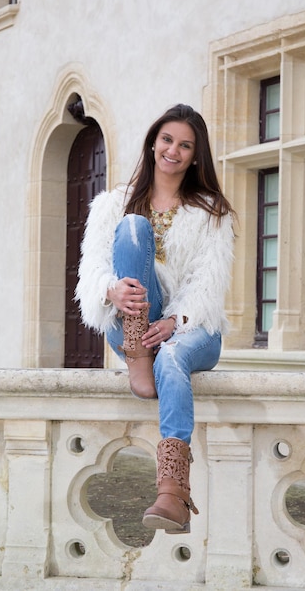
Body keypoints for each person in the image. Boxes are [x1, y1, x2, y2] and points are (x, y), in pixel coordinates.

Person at [75, 103, 234, 534]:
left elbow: (207, 284)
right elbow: (91, 270)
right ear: (152, 143)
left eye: (186, 145)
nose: (174, 151)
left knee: (172, 356)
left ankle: (172, 491)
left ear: (196, 155)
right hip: (131, 325)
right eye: (167, 140)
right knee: (132, 229)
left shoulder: (210, 212)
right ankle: (139, 350)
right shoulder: (111, 205)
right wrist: (112, 289)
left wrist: (176, 321)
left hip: (192, 327)